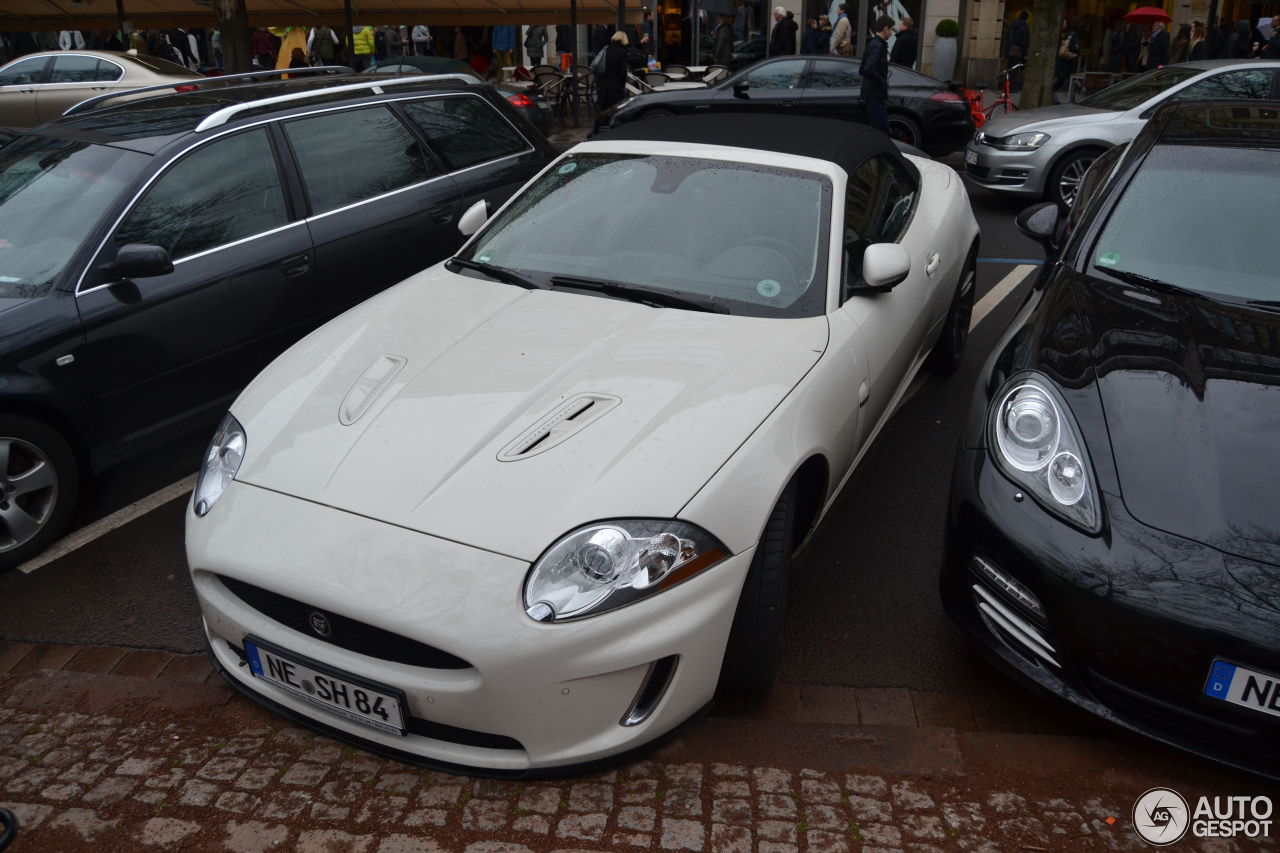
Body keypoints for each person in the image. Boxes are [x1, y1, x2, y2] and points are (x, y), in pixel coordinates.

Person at [860, 15, 893, 133]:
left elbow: (862, 68)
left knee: (882, 129)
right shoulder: (877, 46)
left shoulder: (874, 43)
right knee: (878, 130)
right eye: (891, 29)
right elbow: (867, 68)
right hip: (874, 94)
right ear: (885, 28)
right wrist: (882, 81)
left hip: (873, 94)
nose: (891, 33)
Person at [598, 30, 630, 109]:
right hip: (616, 86)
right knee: (616, 109)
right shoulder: (623, 51)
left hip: (604, 84)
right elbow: (622, 71)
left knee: (605, 108)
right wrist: (623, 84)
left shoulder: (607, 49)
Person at [1054, 19, 1079, 93]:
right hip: (1066, 60)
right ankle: (1051, 94)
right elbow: (1071, 46)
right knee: (1061, 80)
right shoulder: (1073, 34)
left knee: (1060, 80)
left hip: (1062, 59)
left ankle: (1051, 95)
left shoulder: (1067, 33)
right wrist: (1078, 51)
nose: (1064, 25)